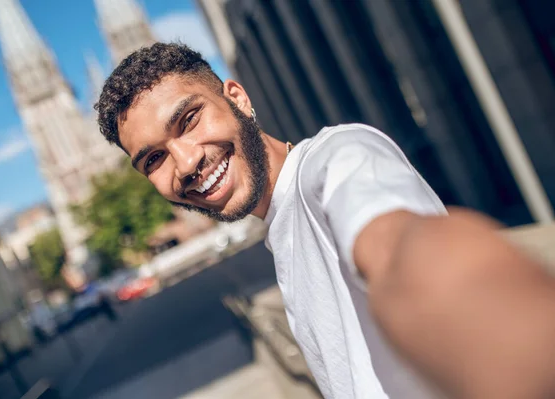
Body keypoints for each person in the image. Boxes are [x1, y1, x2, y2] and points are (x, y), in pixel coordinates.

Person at [94, 43, 555, 398]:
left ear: (237, 97)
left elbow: (404, 252)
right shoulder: (282, 221)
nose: (186, 162)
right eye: (154, 158)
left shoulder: (336, 160)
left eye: (190, 120)